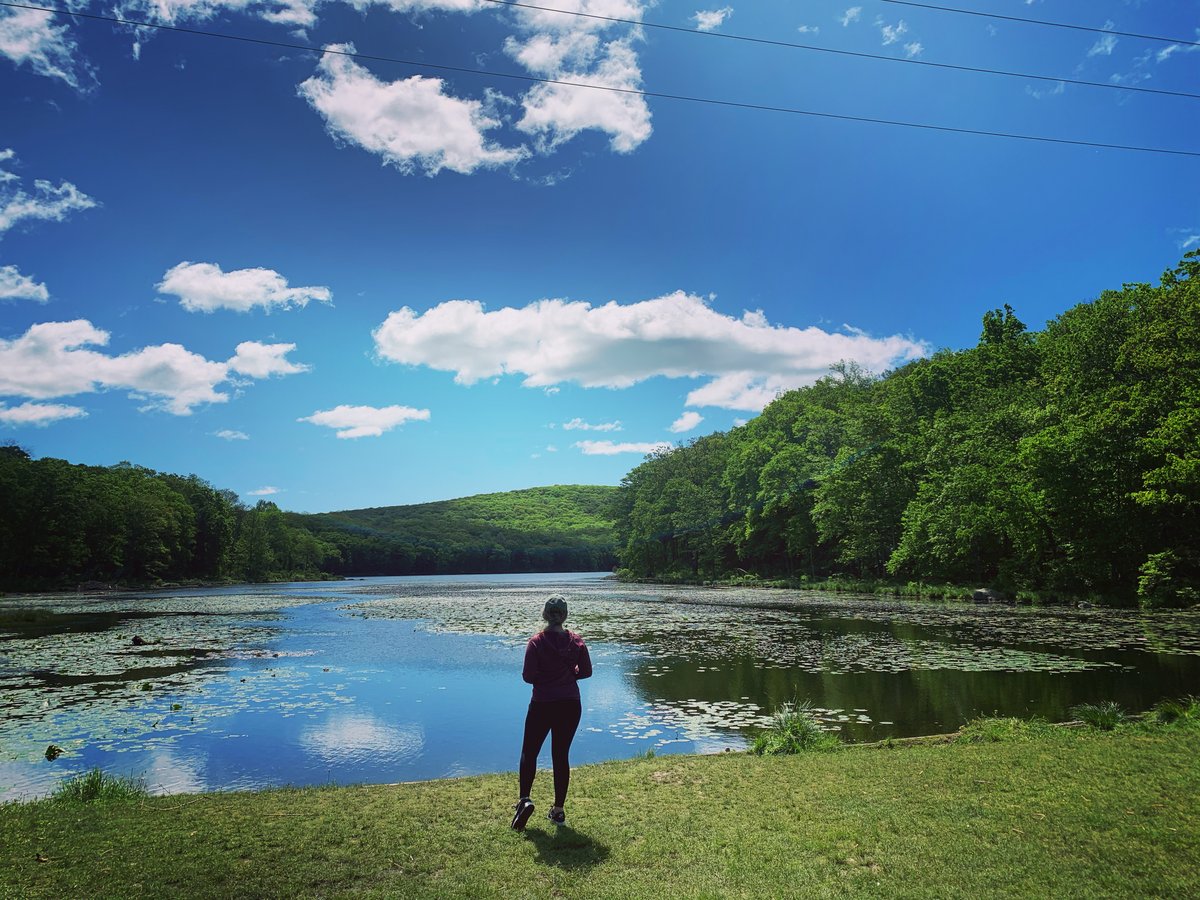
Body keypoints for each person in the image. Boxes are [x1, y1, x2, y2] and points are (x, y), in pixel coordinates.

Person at [511, 595, 592, 831]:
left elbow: (528, 676)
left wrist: (546, 679)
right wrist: (568, 676)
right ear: (565, 615)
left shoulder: (536, 642)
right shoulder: (576, 642)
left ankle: (524, 800)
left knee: (530, 752)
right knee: (560, 755)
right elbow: (586, 672)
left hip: (542, 703)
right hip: (570, 703)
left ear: (545, 615)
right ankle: (558, 810)